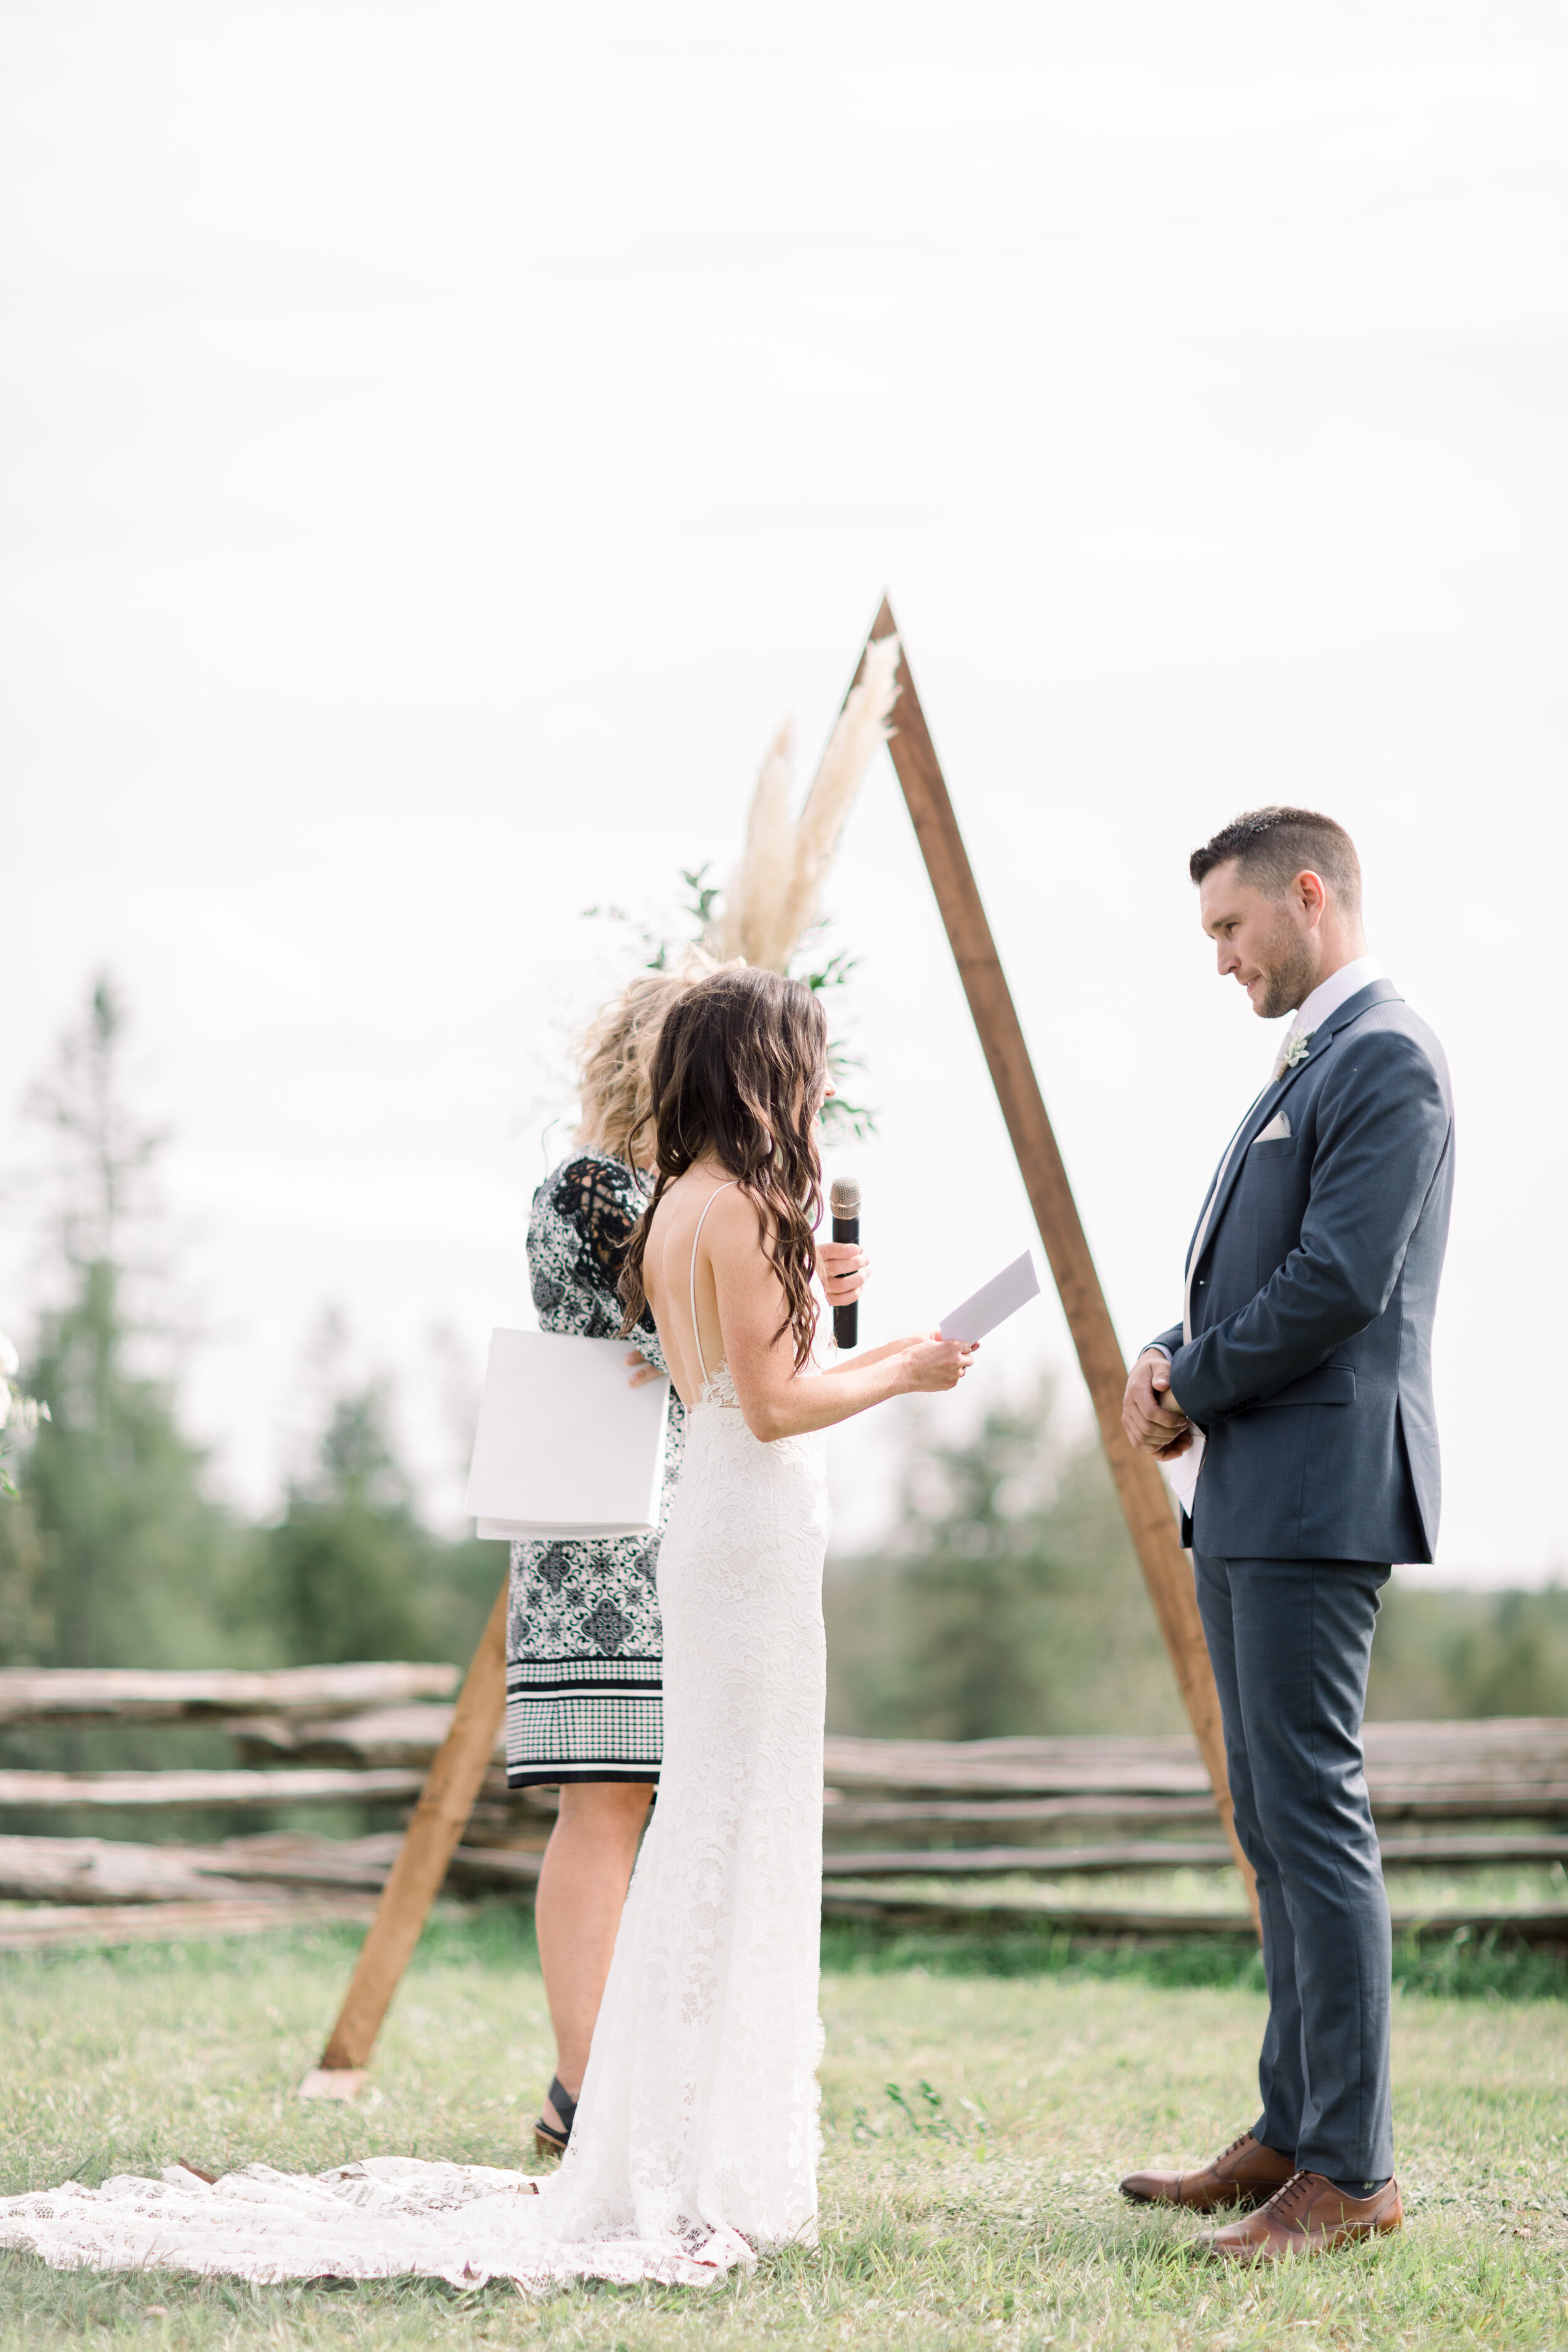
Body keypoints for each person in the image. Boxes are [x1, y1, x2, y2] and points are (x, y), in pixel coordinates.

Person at [0, 966, 975, 2291]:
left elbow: (737, 1363)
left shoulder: (688, 1206)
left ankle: (647, 2106)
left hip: (690, 1517)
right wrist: (863, 1331)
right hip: (639, 1526)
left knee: (685, 1815)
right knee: (645, 1809)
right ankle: (613, 2093)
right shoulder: (631, 1198)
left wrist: (807, 1281)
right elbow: (757, 1391)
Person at [1118, 807, 1453, 2262]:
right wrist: (1164, 1353)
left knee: (1312, 1817)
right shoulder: (1310, 1058)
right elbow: (1252, 1266)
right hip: (1252, 1486)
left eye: (1228, 928)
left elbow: (1334, 1283)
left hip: (1319, 1493)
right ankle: (1288, 2125)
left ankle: (1354, 2170)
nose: (1218, 960)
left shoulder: (1384, 1055)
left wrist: (1195, 1377)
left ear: (1306, 895)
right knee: (1269, 1819)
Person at [509, 969, 868, 2157]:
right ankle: (584, 2079)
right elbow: (683, 1347)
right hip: (611, 1541)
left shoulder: (670, 1196)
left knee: (647, 1797)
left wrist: (800, 1282)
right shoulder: (600, 1190)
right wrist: (791, 1281)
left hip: (665, 1518)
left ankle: (628, 2078)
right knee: (605, 1799)